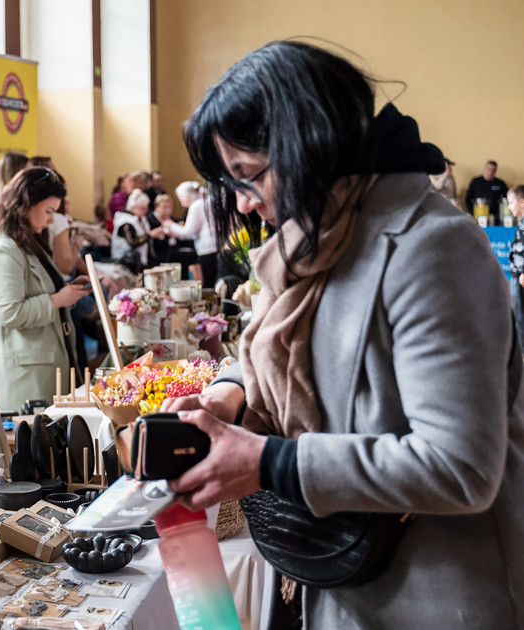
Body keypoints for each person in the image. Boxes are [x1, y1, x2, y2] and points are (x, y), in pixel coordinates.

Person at [167, 40, 524, 628]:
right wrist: (227, 395)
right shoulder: (310, 242)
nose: (246, 205)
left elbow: (461, 466)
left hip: (436, 591)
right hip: (338, 578)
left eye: (248, 177)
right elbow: (259, 348)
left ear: (308, 144)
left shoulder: (431, 247)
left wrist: (269, 462)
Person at [0, 167, 90, 411]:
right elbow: (11, 313)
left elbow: (38, 292)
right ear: (25, 205)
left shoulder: (27, 243)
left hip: (42, 366)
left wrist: (68, 293)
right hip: (24, 378)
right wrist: (58, 300)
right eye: (48, 211)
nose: (51, 219)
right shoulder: (3, 249)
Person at [165, 181, 217, 288]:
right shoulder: (204, 201)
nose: (180, 201)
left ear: (187, 197)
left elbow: (188, 232)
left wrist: (171, 225)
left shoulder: (196, 205)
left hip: (207, 248)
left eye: (180, 198)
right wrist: (178, 234)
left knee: (207, 283)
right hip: (213, 246)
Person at [112, 189, 152, 271]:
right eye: (142, 208)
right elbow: (132, 242)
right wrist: (150, 235)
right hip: (125, 262)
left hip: (138, 262)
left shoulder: (141, 219)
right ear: (133, 207)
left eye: (146, 208)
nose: (146, 211)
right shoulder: (125, 222)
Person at [465, 159, 510, 225]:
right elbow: (467, 199)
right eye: (488, 169)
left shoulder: (500, 183)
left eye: (493, 170)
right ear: (484, 168)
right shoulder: (475, 181)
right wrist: (472, 212)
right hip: (478, 215)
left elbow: (507, 199)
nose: (490, 172)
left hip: (495, 216)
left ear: (495, 171)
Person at [508, 185, 524, 344]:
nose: (509, 207)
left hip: (520, 276)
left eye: (511, 202)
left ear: (522, 202)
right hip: (516, 275)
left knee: (519, 315)